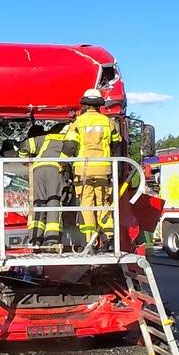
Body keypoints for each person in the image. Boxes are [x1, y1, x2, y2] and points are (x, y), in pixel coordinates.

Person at [64, 88, 122, 252]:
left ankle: (90, 241)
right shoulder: (109, 123)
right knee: (103, 203)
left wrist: (62, 166)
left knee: (86, 204)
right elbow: (116, 146)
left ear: (85, 104)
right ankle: (109, 237)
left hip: (83, 171)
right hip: (104, 170)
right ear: (98, 105)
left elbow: (69, 147)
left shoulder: (78, 123)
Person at [17, 123, 70, 246]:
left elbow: (24, 146)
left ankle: (35, 239)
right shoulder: (72, 141)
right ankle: (52, 240)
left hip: (38, 170)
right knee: (54, 203)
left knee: (38, 203)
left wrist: (25, 159)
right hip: (56, 171)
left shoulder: (47, 138)